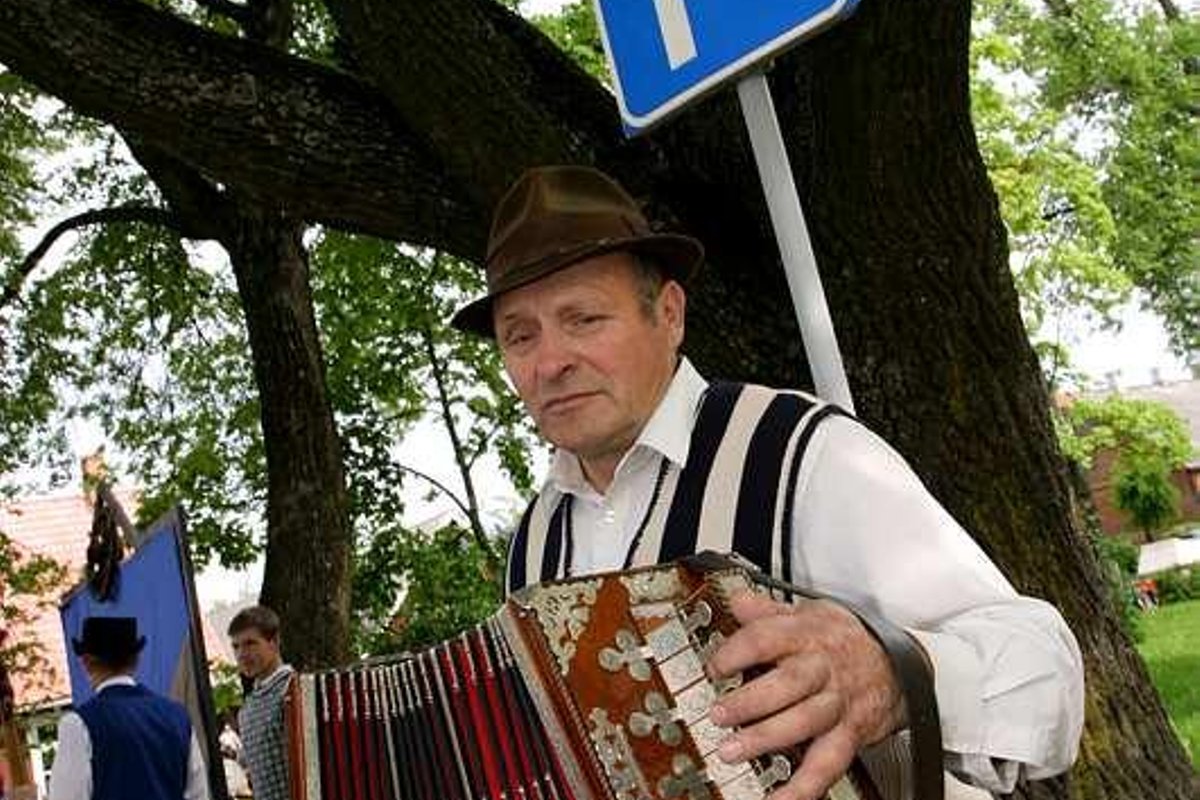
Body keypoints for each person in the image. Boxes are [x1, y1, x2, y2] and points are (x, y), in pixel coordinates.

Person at [450, 165, 1085, 799]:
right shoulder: (533, 544)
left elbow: (1046, 668)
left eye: (584, 318)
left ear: (669, 314)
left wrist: (894, 675)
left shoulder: (798, 449)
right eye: (519, 336)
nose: (550, 362)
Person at [46, 616, 209, 800]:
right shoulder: (178, 716)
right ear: (136, 659)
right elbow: (199, 794)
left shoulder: (78, 724)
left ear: (86, 661)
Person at [228, 605, 293, 800]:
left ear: (274, 642)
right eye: (236, 646)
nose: (241, 654)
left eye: (250, 643)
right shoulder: (248, 707)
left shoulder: (293, 691)